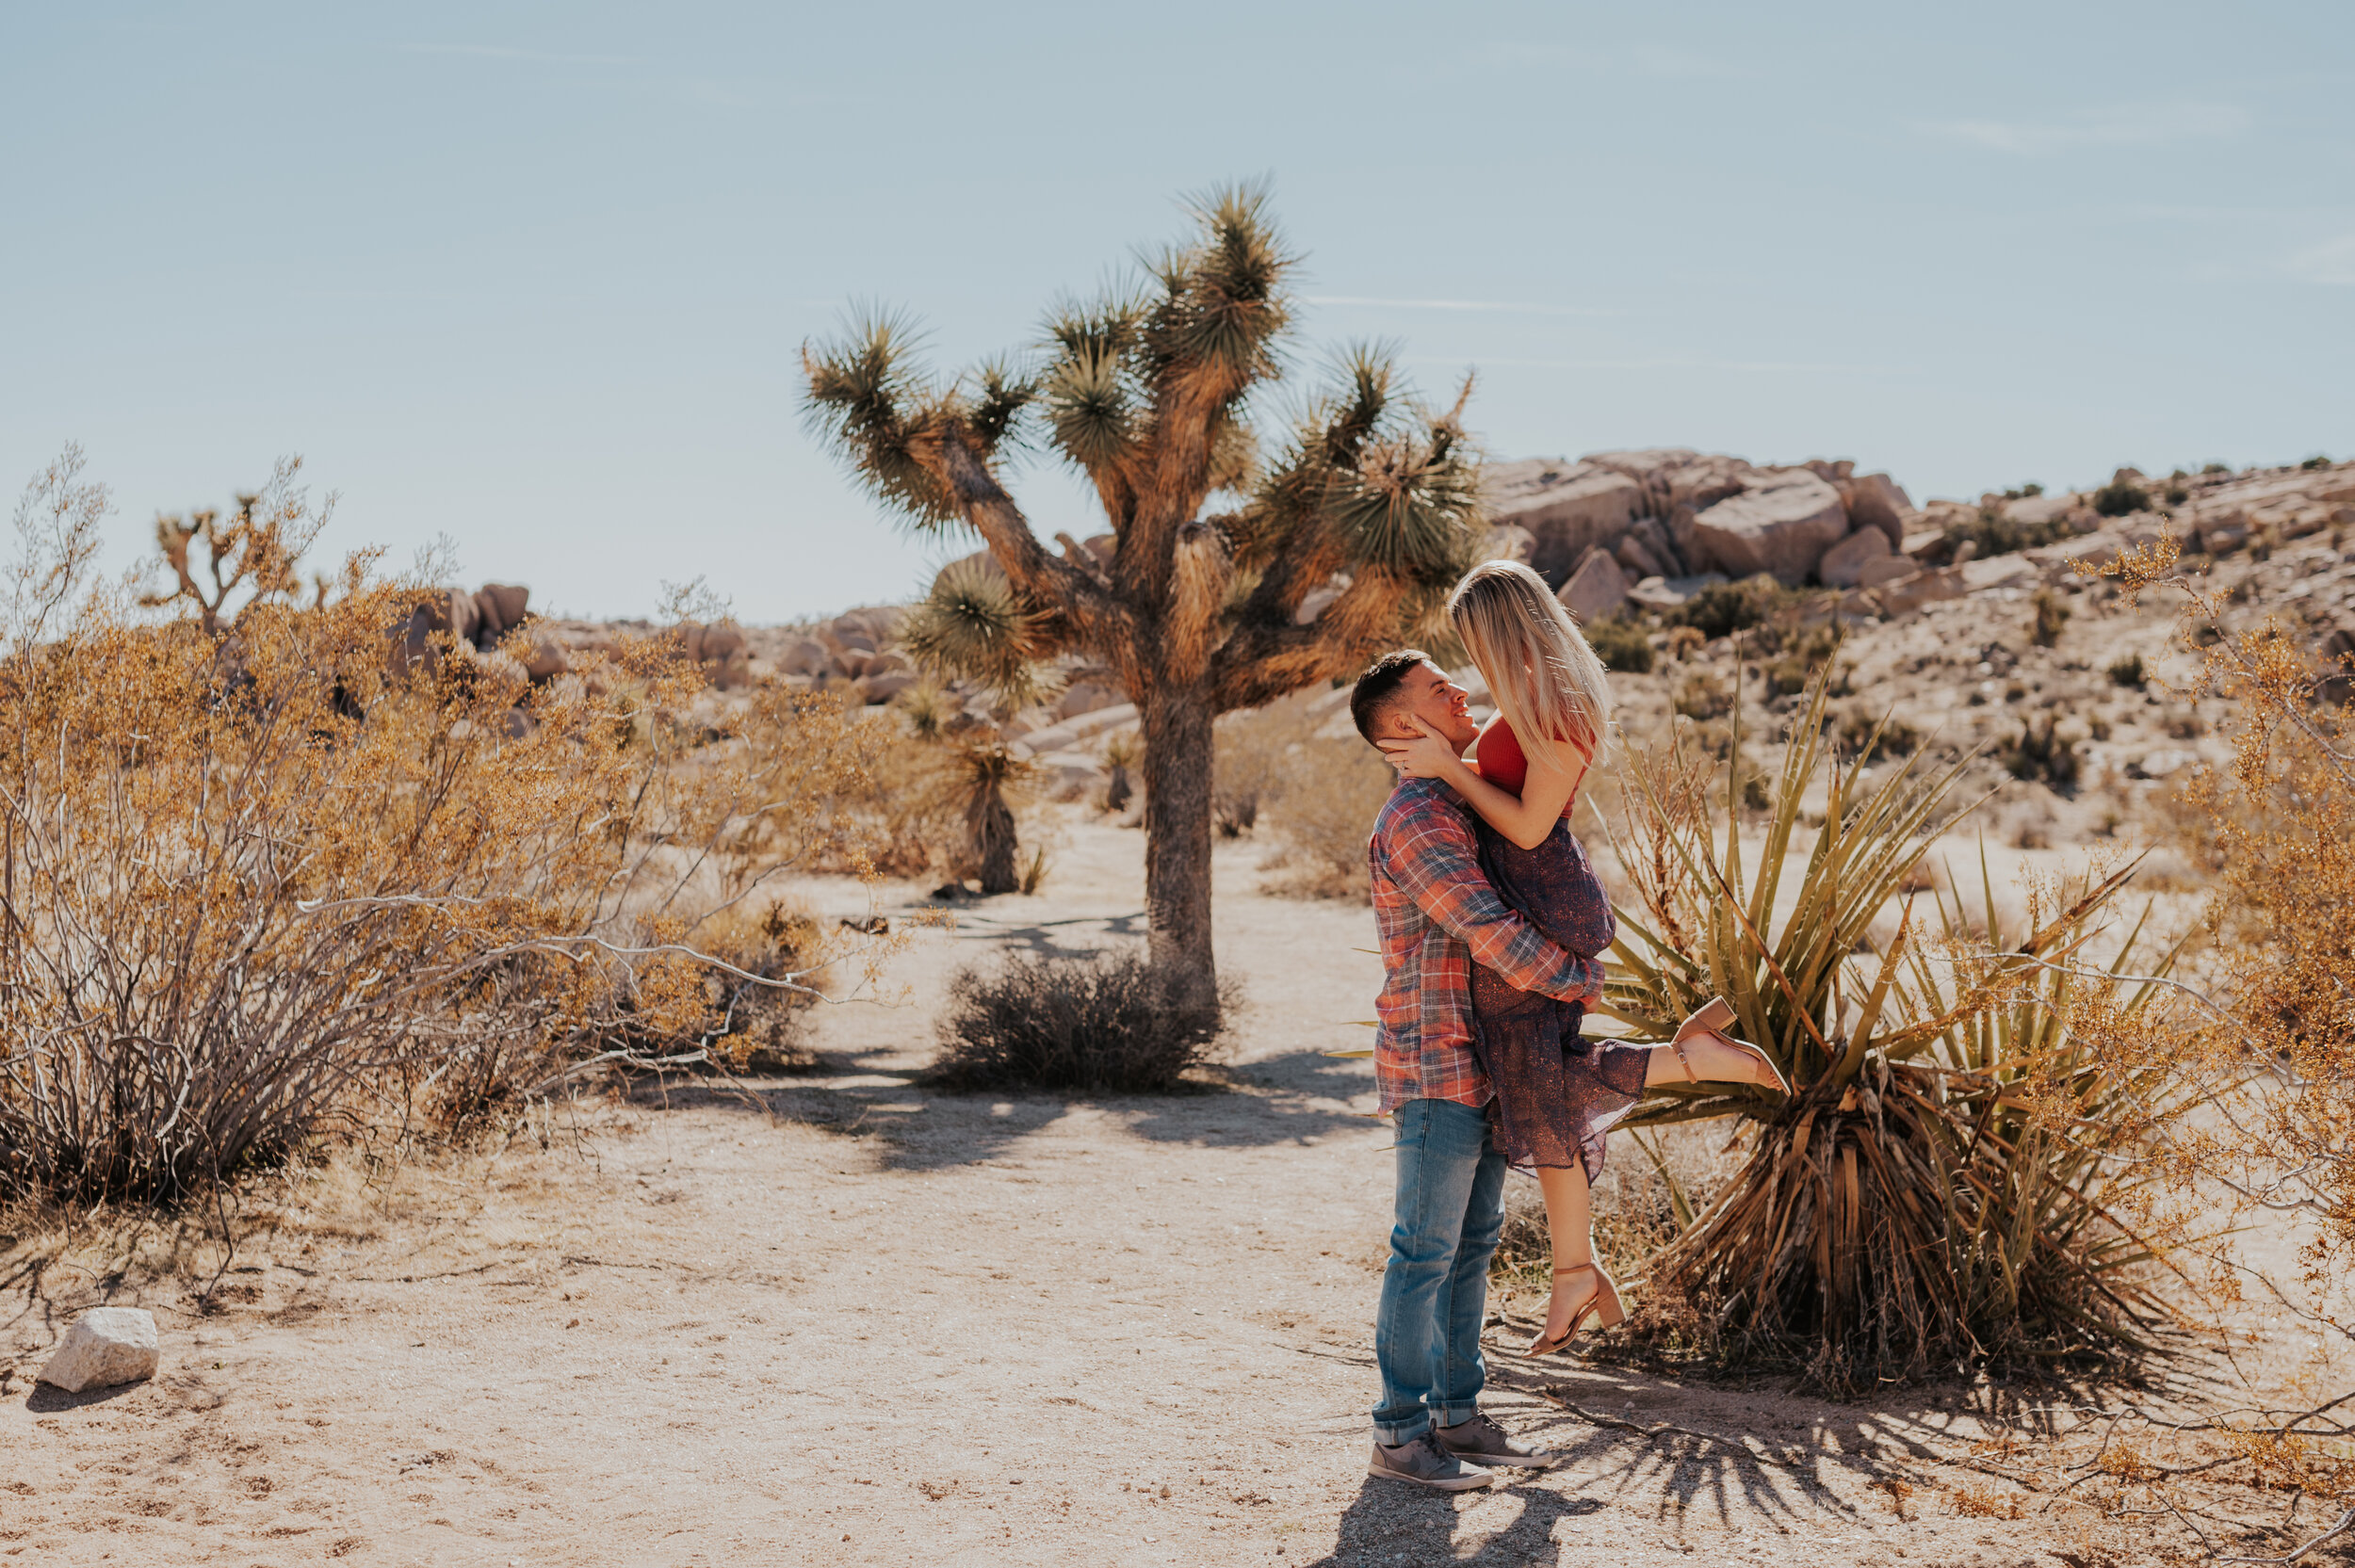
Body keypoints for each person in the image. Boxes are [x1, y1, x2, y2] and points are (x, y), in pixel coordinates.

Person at [1374, 559, 1790, 1359]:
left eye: (1473, 636)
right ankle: (1577, 1263)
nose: (1470, 656)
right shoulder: (1536, 700)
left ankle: (1684, 1065)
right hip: (1544, 893)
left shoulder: (1550, 705)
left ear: (1497, 628)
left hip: (1537, 891)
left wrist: (1449, 769)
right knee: (1543, 1078)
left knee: (1538, 1079)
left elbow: (1529, 828)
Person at [1349, 649, 1599, 1493]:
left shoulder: (1458, 797)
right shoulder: (1418, 816)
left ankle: (1457, 1415)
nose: (1458, 690)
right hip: (1437, 1060)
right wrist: (1576, 976)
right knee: (1424, 1250)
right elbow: (1486, 927)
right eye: (1435, 689)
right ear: (1400, 728)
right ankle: (1399, 1431)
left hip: (1484, 1060)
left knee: (1470, 1246)